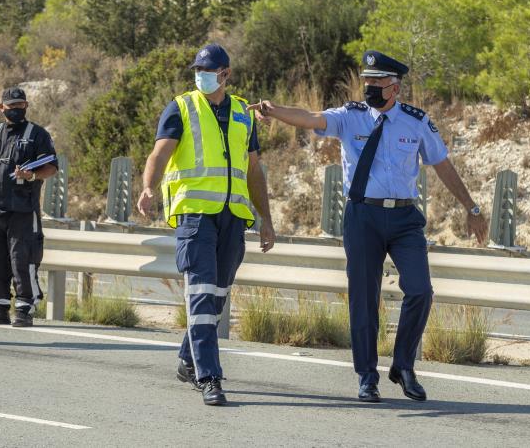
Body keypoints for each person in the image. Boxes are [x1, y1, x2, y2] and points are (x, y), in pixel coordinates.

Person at [251, 51, 488, 403]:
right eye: (367, 82)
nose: (369, 89)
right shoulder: (351, 117)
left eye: (377, 83)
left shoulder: (416, 121)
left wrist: (472, 207)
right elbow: (311, 118)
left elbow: (443, 166)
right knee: (363, 298)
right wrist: (275, 111)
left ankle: (403, 365)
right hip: (363, 216)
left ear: (395, 87)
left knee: (421, 290)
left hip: (405, 218)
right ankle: (366, 376)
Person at [138, 43, 276, 406]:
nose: (202, 74)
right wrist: (147, 188)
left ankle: (188, 358)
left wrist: (266, 219)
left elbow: (253, 170)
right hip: (195, 216)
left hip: (233, 217)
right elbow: (160, 152)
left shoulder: (244, 114)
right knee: (200, 292)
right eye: (198, 69)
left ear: (225, 74)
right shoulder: (181, 107)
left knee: (215, 298)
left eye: (209, 69)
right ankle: (210, 377)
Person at [0, 87, 58, 327]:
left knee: (23, 259)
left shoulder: (37, 134)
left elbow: (51, 167)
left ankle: (25, 309)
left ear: (26, 106)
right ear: (1, 108)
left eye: (20, 106)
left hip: (23, 210)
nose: (16, 110)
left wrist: (31, 175)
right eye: (11, 106)